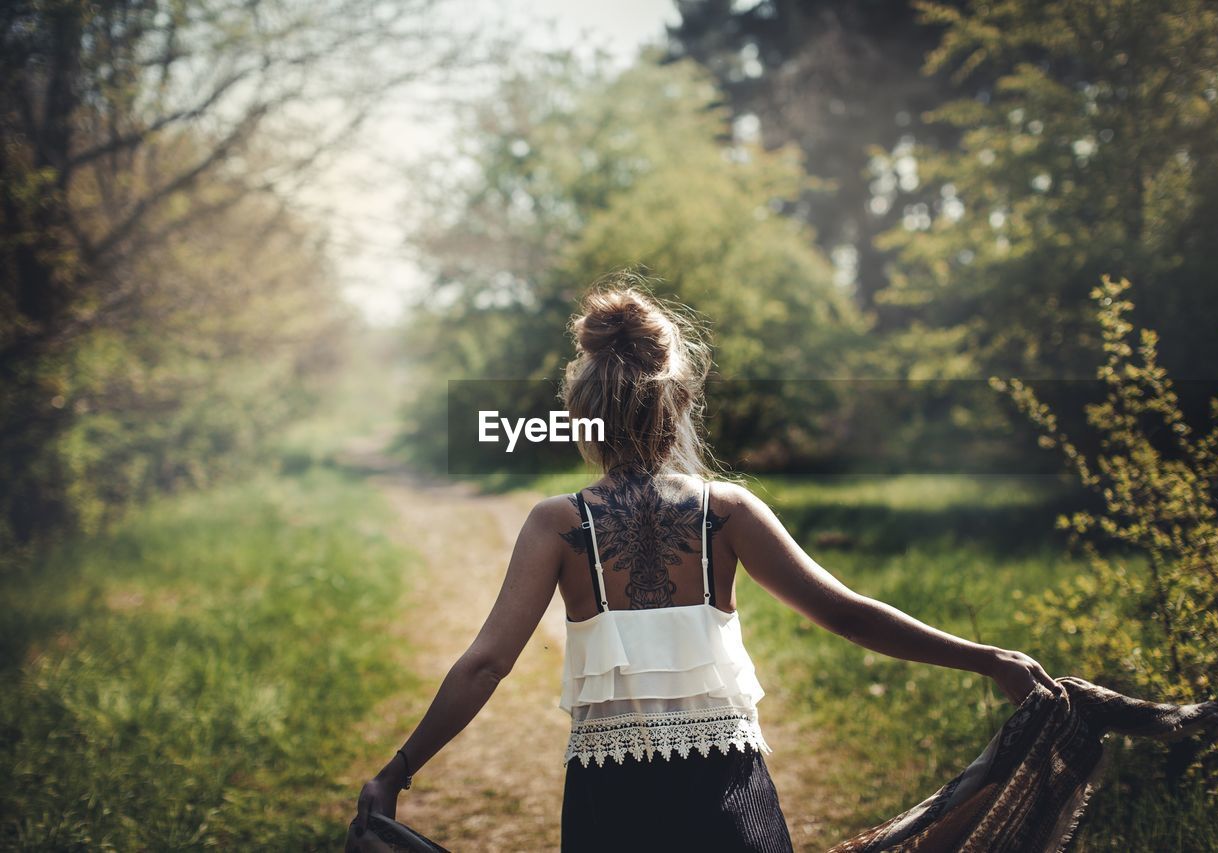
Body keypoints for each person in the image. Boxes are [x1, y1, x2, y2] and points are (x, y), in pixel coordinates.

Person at [350, 277, 1059, 852]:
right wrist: (986, 657)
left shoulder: (556, 525)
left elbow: (484, 664)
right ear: (682, 401)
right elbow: (844, 611)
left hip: (611, 804)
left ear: (580, 413)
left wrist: (399, 768)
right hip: (728, 795)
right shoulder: (730, 511)